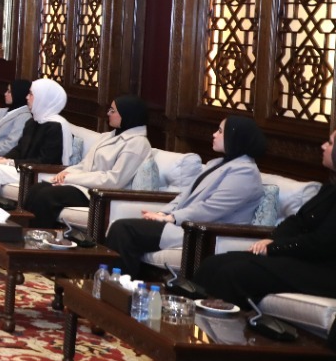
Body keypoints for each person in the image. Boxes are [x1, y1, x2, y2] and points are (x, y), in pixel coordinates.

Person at [105, 116, 266, 276]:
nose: (214, 134)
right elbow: (184, 196)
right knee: (123, 228)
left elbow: (211, 208)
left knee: (123, 229)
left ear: (234, 137)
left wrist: (172, 218)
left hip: (203, 232)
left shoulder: (245, 172)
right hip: (183, 225)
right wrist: (162, 213)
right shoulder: (217, 163)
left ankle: (118, 284)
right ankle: (117, 283)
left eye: (220, 131)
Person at [194, 129, 336, 307]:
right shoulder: (330, 187)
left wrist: (274, 248)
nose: (323, 146)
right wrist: (272, 239)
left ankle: (223, 323)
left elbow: (321, 243)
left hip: (324, 271)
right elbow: (297, 221)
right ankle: (190, 319)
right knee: (212, 264)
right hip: (301, 258)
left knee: (234, 273)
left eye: (330, 143)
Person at [21, 96, 152, 228]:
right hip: (85, 186)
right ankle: (24, 233)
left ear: (127, 114)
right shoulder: (108, 136)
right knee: (36, 189)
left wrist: (71, 178)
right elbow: (85, 164)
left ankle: (39, 237)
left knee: (46, 196)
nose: (108, 113)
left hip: (102, 195)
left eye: (113, 111)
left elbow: (114, 180)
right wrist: (66, 172)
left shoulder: (137, 143)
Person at [0, 78, 71, 201]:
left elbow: (45, 161)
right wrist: (3, 158)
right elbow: (20, 148)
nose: (27, 97)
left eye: (31, 94)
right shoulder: (33, 121)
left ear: (43, 98)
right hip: (23, 168)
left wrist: (10, 162)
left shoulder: (56, 126)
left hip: (39, 173)